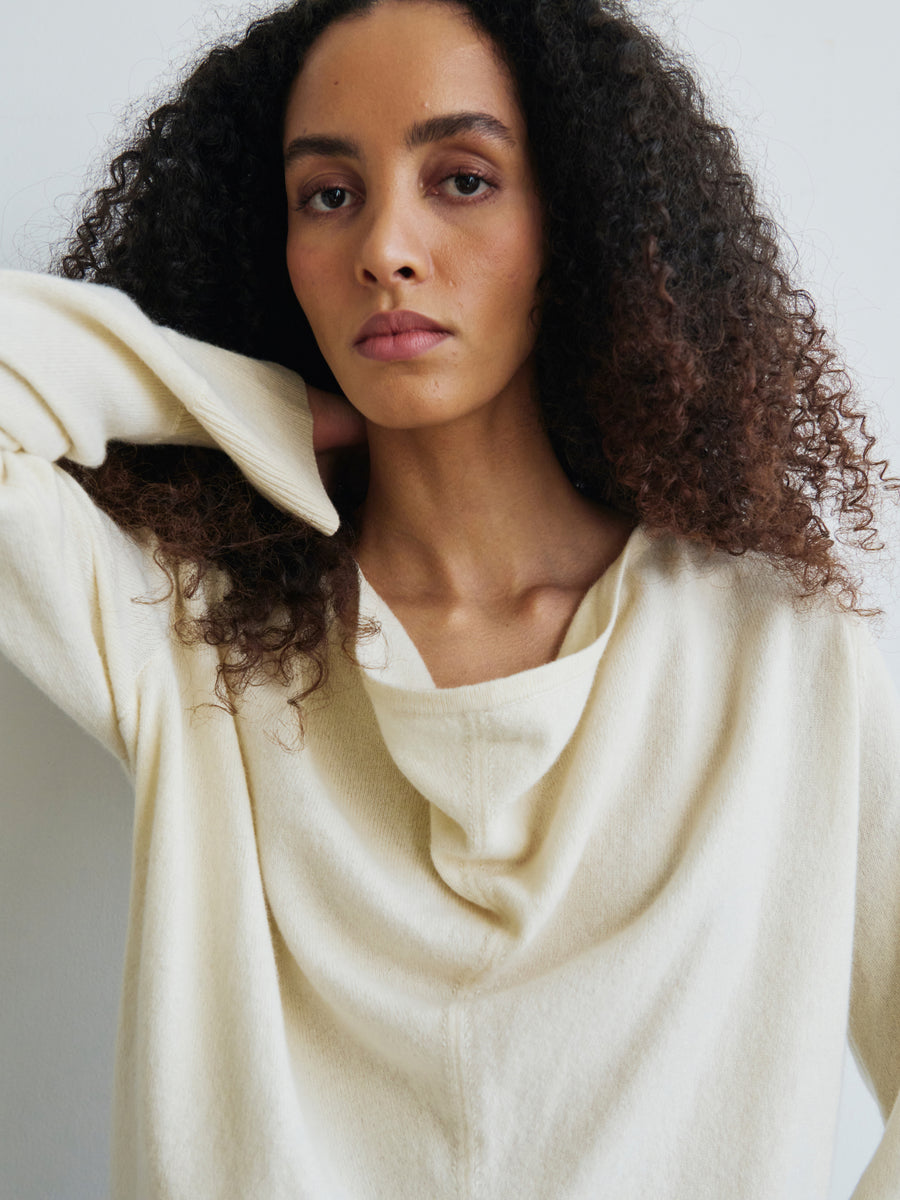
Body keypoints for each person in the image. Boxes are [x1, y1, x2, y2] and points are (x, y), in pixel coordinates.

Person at [1, 0, 898, 1196]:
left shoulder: (780, 652)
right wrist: (266, 410)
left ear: (577, 220)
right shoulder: (192, 637)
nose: (386, 246)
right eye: (328, 194)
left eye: (462, 178)